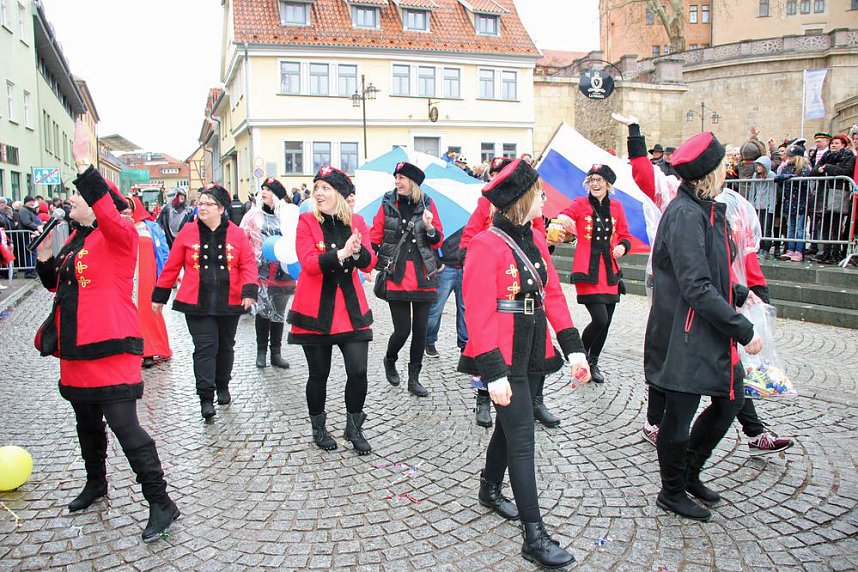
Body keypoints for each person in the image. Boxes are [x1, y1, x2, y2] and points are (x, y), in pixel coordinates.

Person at [32, 118, 179, 542]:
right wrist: (44, 259)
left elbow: (105, 209)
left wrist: (84, 163)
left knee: (125, 426)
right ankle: (96, 483)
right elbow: (57, 286)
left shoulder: (119, 236)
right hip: (76, 350)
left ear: (99, 207)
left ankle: (161, 502)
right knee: (86, 423)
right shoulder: (77, 240)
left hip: (111, 348)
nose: (72, 202)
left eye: (78, 196)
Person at [458, 158, 590, 569]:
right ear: (522, 200)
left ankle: (489, 488)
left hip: (533, 348)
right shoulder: (484, 244)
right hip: (503, 354)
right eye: (541, 193)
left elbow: (551, 295)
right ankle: (534, 535)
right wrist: (493, 373)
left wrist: (575, 349)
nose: (546, 199)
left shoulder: (534, 237)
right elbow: (478, 313)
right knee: (522, 438)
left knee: (509, 426)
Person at [645, 131, 763, 522]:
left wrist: (741, 292)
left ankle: (691, 473)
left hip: (705, 328)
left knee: (730, 401)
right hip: (684, 332)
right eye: (721, 166)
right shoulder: (683, 215)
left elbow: (714, 270)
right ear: (707, 174)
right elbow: (695, 285)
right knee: (678, 417)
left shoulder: (709, 209)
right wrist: (742, 329)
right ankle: (672, 490)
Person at [460, 155, 559, 428]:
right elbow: (471, 238)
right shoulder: (487, 206)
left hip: (529, 310)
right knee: (491, 360)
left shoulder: (533, 225)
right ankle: (483, 399)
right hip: (497, 286)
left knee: (522, 399)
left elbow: (536, 235)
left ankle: (536, 401)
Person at [287, 166, 376, 454]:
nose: (319, 193)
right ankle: (319, 427)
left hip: (351, 310)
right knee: (318, 375)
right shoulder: (306, 222)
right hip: (316, 312)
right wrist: (340, 253)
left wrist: (358, 251)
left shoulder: (358, 221)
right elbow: (309, 264)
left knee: (359, 371)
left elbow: (369, 262)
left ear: (339, 194)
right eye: (317, 188)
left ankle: (353, 427)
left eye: (325, 188)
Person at [152, 183, 257, 420]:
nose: (203, 208)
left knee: (225, 346)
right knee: (205, 347)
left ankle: (223, 385)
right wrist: (159, 296)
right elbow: (171, 266)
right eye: (200, 203)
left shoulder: (236, 233)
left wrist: (249, 292)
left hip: (229, 300)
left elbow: (248, 264)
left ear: (221, 208)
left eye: (208, 204)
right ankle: (206, 397)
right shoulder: (188, 232)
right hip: (196, 302)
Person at [370, 161, 443, 398]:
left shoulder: (428, 204)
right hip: (397, 274)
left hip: (424, 274)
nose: (397, 182)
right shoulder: (387, 202)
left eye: (401, 178)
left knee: (420, 330)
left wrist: (430, 228)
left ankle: (414, 378)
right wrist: (369, 261)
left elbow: (437, 240)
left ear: (412, 182)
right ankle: (390, 359)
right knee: (402, 330)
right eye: (396, 178)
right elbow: (376, 234)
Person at [557, 164, 632, 384]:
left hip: (610, 272)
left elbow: (625, 235)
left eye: (599, 180)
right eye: (592, 180)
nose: (595, 184)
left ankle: (592, 362)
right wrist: (564, 220)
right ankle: (579, 356)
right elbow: (564, 214)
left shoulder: (617, 207)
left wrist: (622, 247)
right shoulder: (580, 203)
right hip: (588, 270)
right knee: (599, 319)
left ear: (608, 184)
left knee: (606, 322)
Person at [240, 177, 295, 369]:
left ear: (278, 196)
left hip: (282, 272)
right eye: (262, 188)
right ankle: (261, 351)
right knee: (263, 313)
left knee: (278, 312)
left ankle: (276, 353)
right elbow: (243, 238)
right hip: (260, 272)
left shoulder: (286, 216)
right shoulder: (253, 215)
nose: (264, 192)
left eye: (269, 190)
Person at [126, 196, 172, 368]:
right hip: (126, 276)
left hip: (146, 276)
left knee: (148, 312)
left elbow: (163, 251)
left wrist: (168, 275)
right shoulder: (117, 228)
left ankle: (149, 350)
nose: (127, 211)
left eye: (130, 207)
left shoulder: (150, 227)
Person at [814, 133, 855, 263]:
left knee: (836, 225)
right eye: (832, 143)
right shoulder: (826, 156)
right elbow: (814, 170)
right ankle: (825, 252)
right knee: (825, 224)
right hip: (825, 193)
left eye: (837, 143)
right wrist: (822, 169)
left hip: (839, 193)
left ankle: (835, 253)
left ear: (843, 145)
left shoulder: (848, 156)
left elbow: (846, 171)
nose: (833, 145)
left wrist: (827, 168)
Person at [776, 147, 812, 262]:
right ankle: (790, 249)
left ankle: (799, 250)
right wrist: (785, 176)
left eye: (791, 156)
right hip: (789, 201)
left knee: (800, 228)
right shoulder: (787, 167)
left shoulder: (804, 167)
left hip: (800, 201)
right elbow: (779, 178)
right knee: (790, 227)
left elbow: (805, 180)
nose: (789, 158)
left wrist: (793, 177)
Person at [746, 155, 776, 258]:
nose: (757, 167)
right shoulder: (755, 175)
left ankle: (766, 248)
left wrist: (772, 207)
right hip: (757, 204)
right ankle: (758, 247)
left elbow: (773, 192)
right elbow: (752, 190)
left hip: (767, 205)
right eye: (757, 165)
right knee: (757, 227)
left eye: (759, 165)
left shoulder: (771, 175)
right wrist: (751, 204)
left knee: (766, 227)